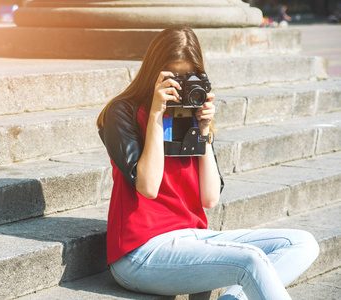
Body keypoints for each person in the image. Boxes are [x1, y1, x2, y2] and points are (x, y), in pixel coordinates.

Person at [96, 27, 319, 299]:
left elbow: (210, 198)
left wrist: (204, 133)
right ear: (155, 72)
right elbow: (149, 187)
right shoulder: (123, 112)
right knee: (250, 260)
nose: (179, 87)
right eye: (172, 77)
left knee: (302, 243)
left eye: (187, 77)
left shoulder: (191, 114)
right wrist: (156, 113)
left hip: (191, 237)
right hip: (140, 252)